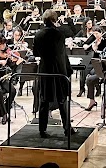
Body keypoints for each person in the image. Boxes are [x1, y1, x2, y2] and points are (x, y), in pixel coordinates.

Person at [32, 9, 76, 137]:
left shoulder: (38, 34)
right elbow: (71, 33)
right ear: (53, 20)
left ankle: (42, 130)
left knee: (44, 100)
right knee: (62, 99)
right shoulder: (59, 34)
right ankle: (67, 129)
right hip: (58, 69)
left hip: (45, 69)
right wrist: (64, 22)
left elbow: (35, 53)